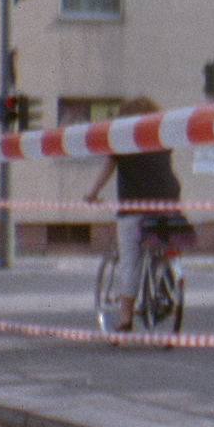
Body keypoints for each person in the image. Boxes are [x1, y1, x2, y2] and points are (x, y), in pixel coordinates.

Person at [83, 94, 182, 331]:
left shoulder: (123, 138)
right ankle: (167, 281)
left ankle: (125, 319)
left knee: (130, 261)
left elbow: (109, 166)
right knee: (167, 245)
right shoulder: (162, 135)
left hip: (134, 207)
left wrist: (93, 193)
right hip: (168, 202)